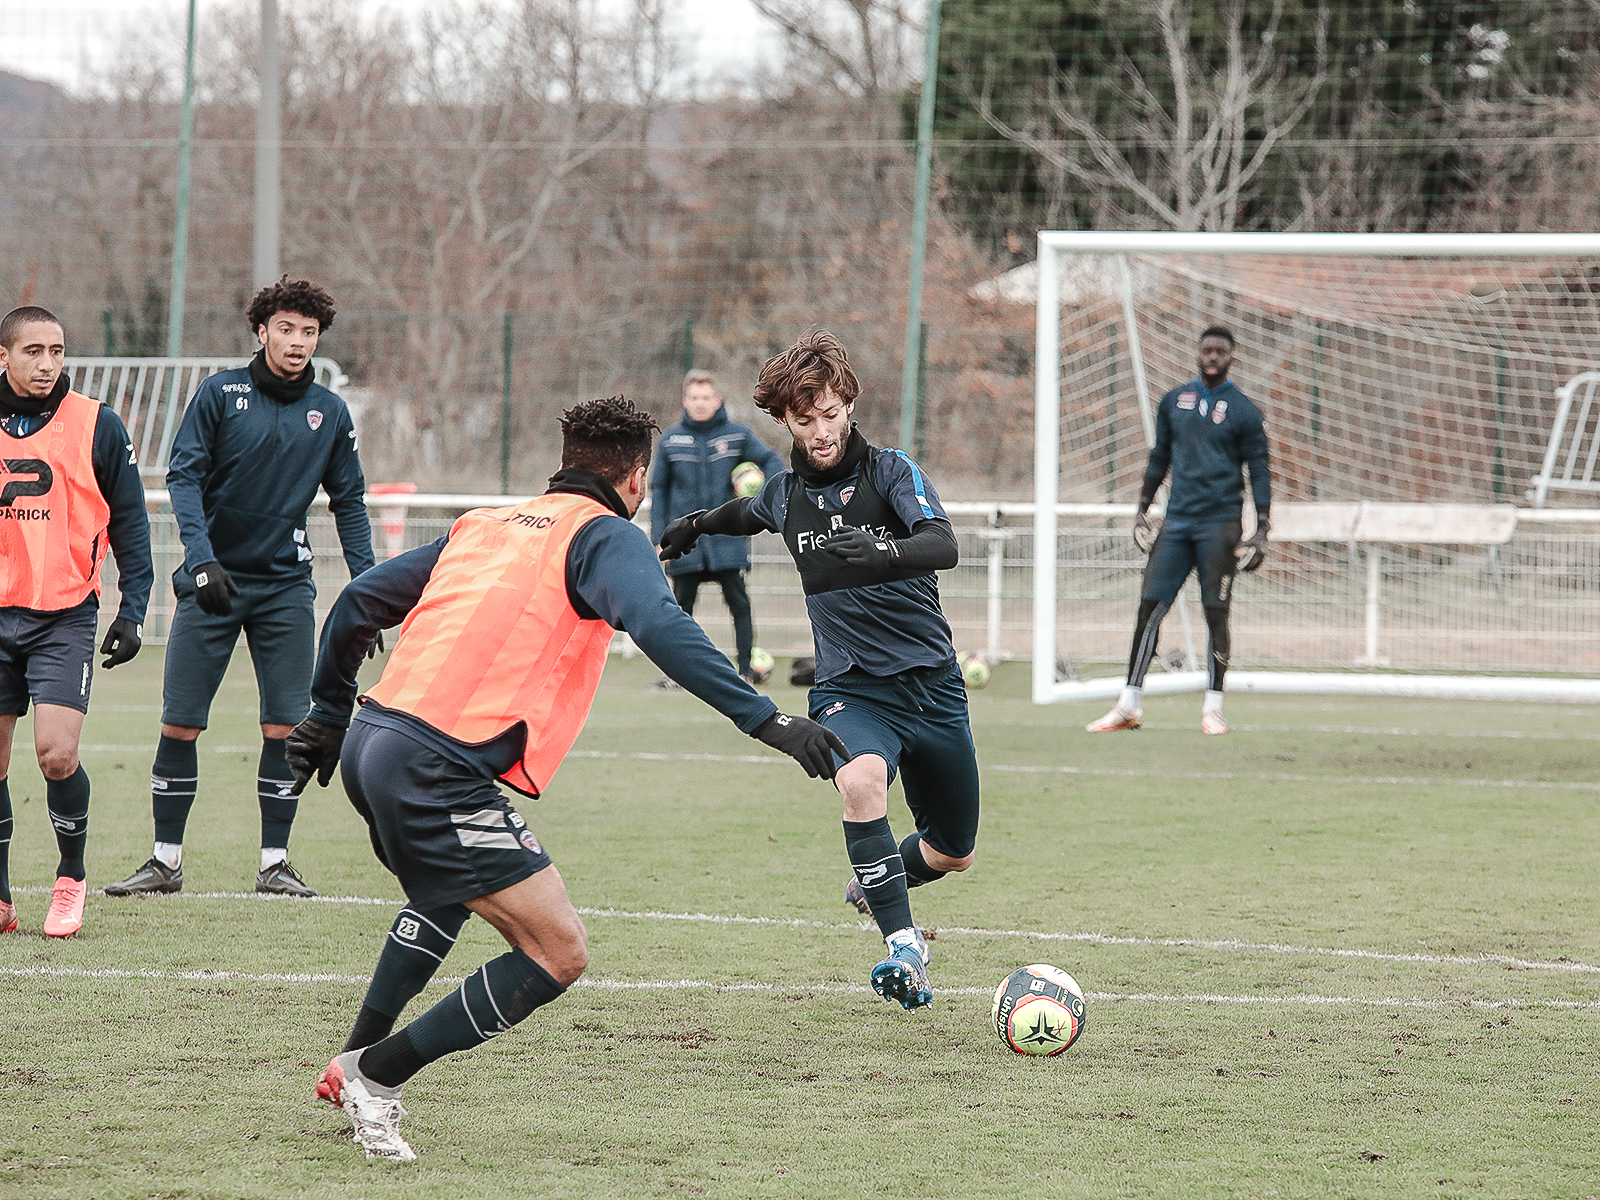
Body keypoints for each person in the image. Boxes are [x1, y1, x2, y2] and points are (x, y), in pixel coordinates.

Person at [282, 395, 846, 1162]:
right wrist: (768, 720)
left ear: (565, 463)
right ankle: (375, 1075)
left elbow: (356, 602)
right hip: (437, 765)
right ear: (636, 477)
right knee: (559, 951)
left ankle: (351, 1061)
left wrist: (326, 713)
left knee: (446, 894)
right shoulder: (605, 534)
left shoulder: (486, 523)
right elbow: (661, 625)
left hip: (372, 741)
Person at [659, 329, 978, 1013]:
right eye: (805, 420)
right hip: (851, 689)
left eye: (831, 414)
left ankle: (876, 879)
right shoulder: (785, 495)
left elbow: (943, 544)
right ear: (785, 421)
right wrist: (696, 524)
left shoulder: (892, 473)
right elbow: (747, 513)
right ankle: (905, 949)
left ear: (849, 405)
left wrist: (884, 553)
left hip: (933, 688)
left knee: (954, 851)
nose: (822, 431)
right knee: (859, 781)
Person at [105, 278, 375, 901]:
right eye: (286, 329)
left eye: (309, 332)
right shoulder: (220, 393)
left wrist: (369, 589)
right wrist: (201, 562)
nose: (298, 342)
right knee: (180, 723)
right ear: (261, 330)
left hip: (286, 589)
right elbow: (183, 476)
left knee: (285, 726)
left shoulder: (330, 413)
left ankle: (275, 865)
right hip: (212, 585)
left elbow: (350, 501)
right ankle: (164, 862)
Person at [0, 305, 152, 938]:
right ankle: (1, 896)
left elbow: (132, 520)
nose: (47, 363)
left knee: (56, 755)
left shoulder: (97, 424)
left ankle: (70, 876)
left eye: (57, 351)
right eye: (33, 351)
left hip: (63, 617)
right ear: (4, 356)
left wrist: (133, 609)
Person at [1086, 325, 1271, 736]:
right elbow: (1159, 457)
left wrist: (1261, 529)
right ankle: (1129, 704)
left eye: (1220, 351)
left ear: (1232, 357)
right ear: (1197, 353)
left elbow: (1259, 471)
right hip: (1177, 522)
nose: (1213, 357)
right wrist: (1141, 510)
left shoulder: (1245, 410)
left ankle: (1213, 708)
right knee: (1149, 608)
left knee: (1215, 613)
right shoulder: (1174, 401)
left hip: (1220, 525)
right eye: (1207, 350)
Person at [650, 369, 783, 684]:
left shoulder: (738, 435)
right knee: (679, 612)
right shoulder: (670, 440)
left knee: (740, 605)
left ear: (718, 400)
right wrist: (659, 538)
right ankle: (676, 675)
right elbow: (659, 491)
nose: (700, 403)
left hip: (727, 538)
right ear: (685, 401)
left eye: (706, 397)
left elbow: (772, 462)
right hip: (686, 542)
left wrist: (763, 497)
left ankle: (746, 672)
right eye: (694, 397)